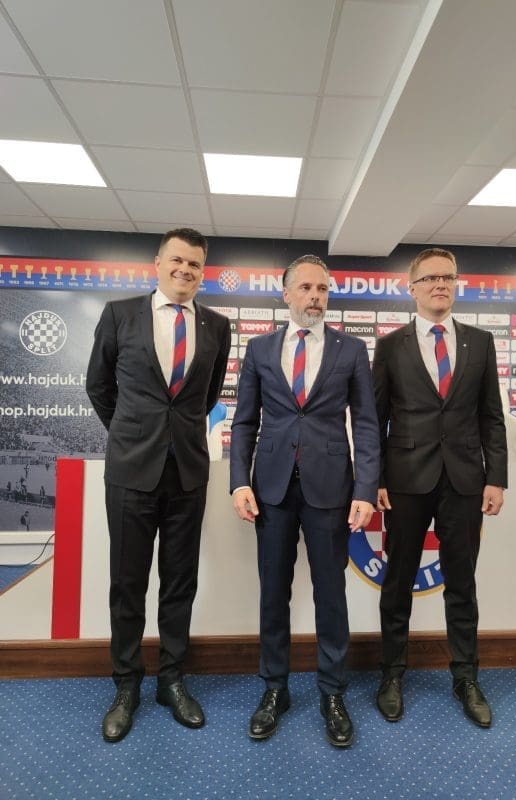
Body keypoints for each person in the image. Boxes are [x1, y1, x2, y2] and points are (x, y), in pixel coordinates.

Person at [86, 228, 231, 743]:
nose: (185, 270)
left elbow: (207, 395)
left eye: (195, 264)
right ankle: (126, 686)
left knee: (179, 582)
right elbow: (98, 386)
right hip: (131, 472)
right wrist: (133, 435)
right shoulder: (119, 315)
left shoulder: (217, 325)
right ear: (158, 263)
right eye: (177, 260)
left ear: (202, 272)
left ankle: (171, 680)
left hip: (187, 473)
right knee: (127, 583)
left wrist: (173, 436)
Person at [230, 255, 379, 747]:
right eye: (306, 288)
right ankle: (275, 688)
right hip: (270, 489)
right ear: (286, 294)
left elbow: (366, 425)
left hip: (331, 489)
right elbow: (245, 421)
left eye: (323, 289)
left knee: (330, 595)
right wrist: (239, 481)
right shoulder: (259, 348)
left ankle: (332, 692)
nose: (316, 296)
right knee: (273, 592)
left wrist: (365, 489)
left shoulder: (351, 349)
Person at [372, 247, 507, 728]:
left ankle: (466, 677)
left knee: (462, 583)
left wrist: (496, 477)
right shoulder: (391, 346)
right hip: (406, 481)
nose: (440, 285)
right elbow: (375, 419)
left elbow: (491, 416)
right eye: (429, 278)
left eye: (447, 277)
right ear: (412, 289)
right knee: (398, 581)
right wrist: (376, 479)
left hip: (465, 480)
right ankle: (391, 674)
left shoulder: (480, 342)